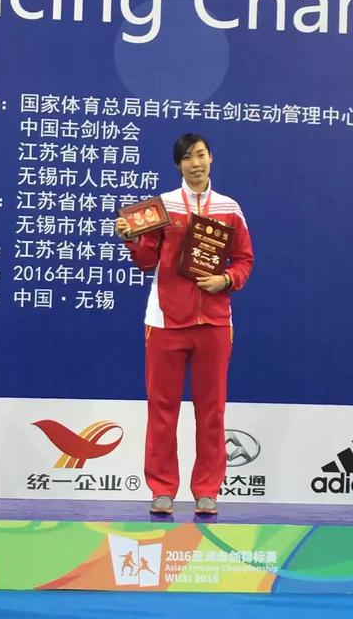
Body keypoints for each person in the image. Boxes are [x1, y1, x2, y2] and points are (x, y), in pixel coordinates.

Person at [115, 133, 254, 515]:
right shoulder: (162, 206)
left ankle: (207, 489)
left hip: (214, 322)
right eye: (189, 157)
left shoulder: (229, 208)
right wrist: (130, 240)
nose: (197, 163)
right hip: (165, 321)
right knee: (162, 410)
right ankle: (162, 489)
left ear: (211, 159)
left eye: (202, 155)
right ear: (179, 164)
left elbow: (244, 259)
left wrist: (225, 279)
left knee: (212, 410)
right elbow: (147, 261)